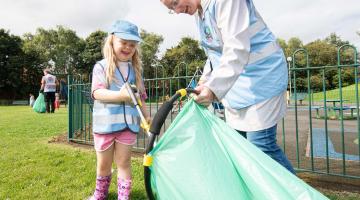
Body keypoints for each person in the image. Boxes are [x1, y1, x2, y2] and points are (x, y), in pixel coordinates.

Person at [160, 0, 295, 173]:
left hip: (262, 77)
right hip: (237, 87)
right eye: (171, 9)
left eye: (175, 2)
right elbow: (215, 53)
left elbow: (236, 48)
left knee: (261, 149)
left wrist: (213, 89)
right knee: (241, 148)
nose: (177, 11)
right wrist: (204, 82)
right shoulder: (199, 12)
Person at [89, 20, 150, 200]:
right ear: (112, 41)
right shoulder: (101, 66)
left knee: (124, 163)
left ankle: (124, 197)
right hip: (105, 125)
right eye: (123, 42)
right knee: (103, 165)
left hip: (128, 126)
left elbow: (141, 97)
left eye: (132, 44)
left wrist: (147, 117)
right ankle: (100, 195)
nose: (127, 47)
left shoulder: (136, 70)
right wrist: (121, 96)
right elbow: (97, 92)